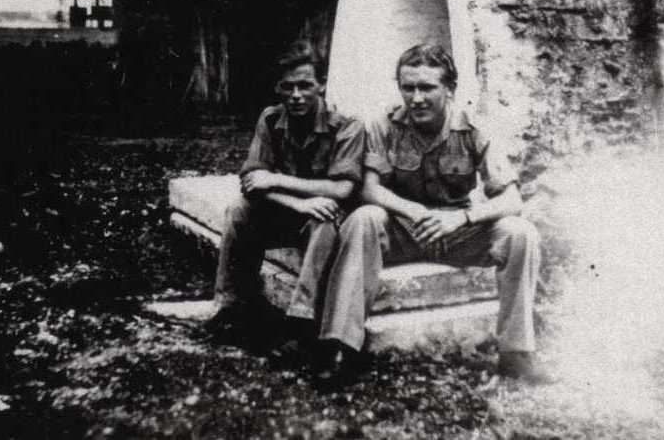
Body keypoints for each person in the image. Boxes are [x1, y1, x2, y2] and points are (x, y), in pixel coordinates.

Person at [315, 43, 545, 384]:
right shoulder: (384, 125)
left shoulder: (474, 128)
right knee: (363, 219)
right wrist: (412, 210)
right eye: (408, 88)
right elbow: (370, 190)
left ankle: (517, 352)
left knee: (520, 232)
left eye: (427, 88)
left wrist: (461, 219)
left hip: (456, 231)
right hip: (403, 229)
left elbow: (512, 200)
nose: (416, 98)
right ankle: (342, 347)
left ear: (450, 89)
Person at [205, 40, 365, 363]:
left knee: (325, 217)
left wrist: (277, 180)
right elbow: (251, 182)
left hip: (325, 221)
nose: (296, 95)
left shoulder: (347, 125)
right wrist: (297, 203)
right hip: (287, 213)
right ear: (277, 87)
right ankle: (232, 308)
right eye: (287, 86)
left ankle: (301, 323)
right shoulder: (270, 119)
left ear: (321, 84)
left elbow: (342, 189)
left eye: (305, 85)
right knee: (239, 210)